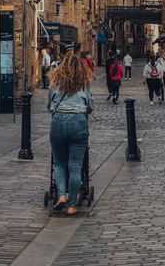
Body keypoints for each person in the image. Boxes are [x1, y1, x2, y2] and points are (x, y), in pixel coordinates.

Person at [47, 50, 94, 215]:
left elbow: (49, 105)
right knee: (75, 166)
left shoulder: (55, 82)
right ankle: (72, 205)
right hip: (78, 122)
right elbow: (90, 106)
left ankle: (61, 195)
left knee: (59, 163)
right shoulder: (84, 83)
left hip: (58, 121)